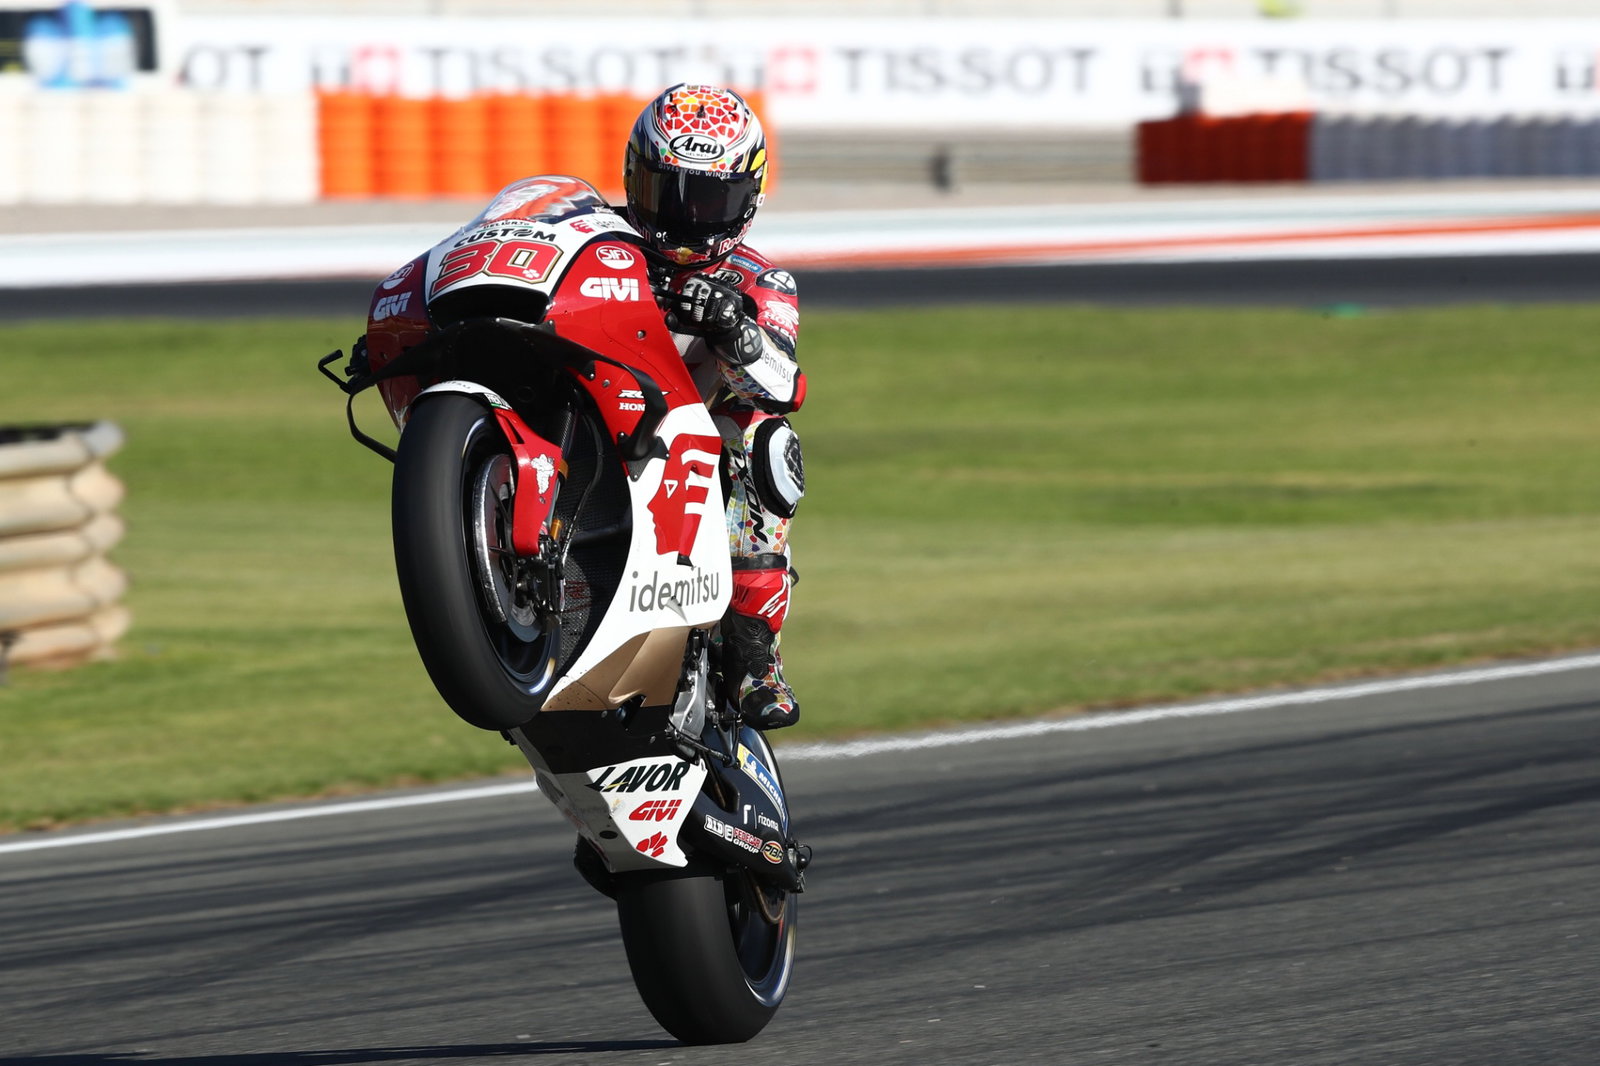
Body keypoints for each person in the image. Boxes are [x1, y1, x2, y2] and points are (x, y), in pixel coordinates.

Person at [623, 83, 805, 730]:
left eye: (705, 200)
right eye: (665, 192)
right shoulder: (595, 239)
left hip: (683, 443)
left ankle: (755, 652)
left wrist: (733, 327)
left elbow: (783, 384)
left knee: (764, 436)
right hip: (590, 421)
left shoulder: (761, 280)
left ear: (744, 200)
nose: (682, 217)